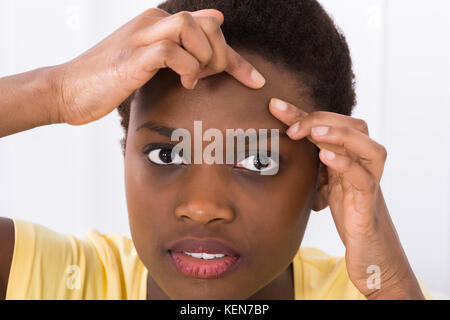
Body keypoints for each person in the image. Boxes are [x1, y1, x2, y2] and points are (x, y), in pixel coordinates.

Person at [0, 0, 430, 299]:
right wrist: (54, 93)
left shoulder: (380, 292)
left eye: (257, 160)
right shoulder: (55, 281)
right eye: (167, 154)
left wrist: (389, 284)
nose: (203, 207)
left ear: (325, 178)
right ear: (125, 149)